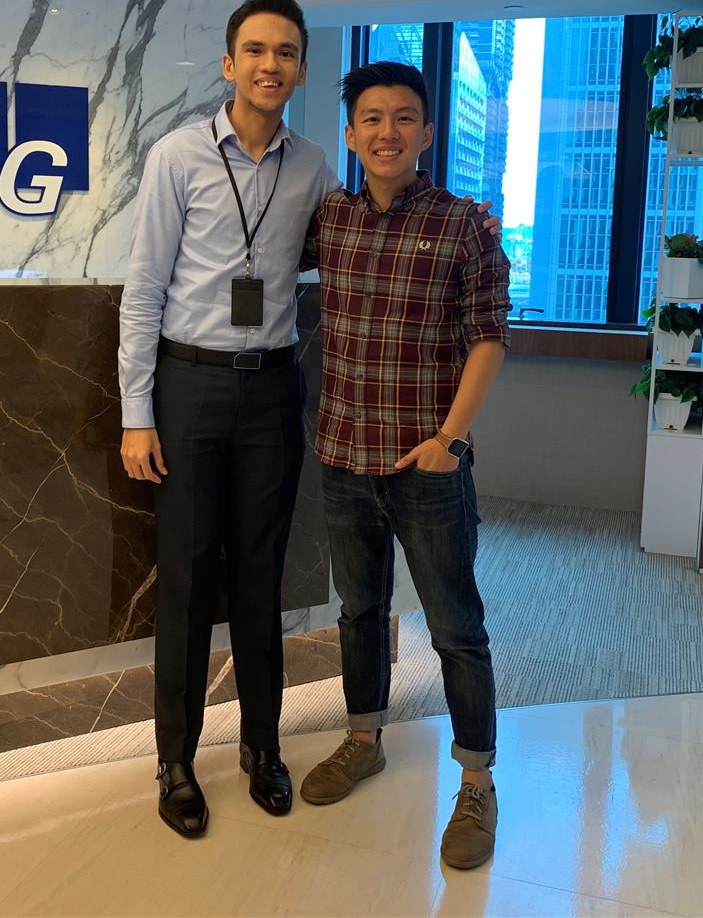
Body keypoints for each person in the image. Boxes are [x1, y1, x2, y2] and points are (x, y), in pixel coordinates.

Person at [119, 0, 499, 839]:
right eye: (256, 50)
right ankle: (175, 761)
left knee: (262, 576)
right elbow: (142, 290)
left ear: (299, 69)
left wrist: (474, 221)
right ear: (230, 63)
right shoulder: (178, 156)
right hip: (189, 383)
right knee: (188, 581)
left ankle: (263, 748)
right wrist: (136, 412)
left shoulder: (317, 169)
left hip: (271, 391)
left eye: (286, 52)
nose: (270, 65)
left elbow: (384, 228)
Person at [297, 61, 510, 872]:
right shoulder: (330, 219)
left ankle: (478, 781)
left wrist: (451, 440)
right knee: (360, 612)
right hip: (343, 457)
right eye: (372, 118)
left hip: (428, 465)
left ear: (426, 131)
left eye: (404, 117)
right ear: (351, 135)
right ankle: (364, 739)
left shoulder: (464, 225)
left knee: (455, 627)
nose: (388, 131)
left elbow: (489, 337)